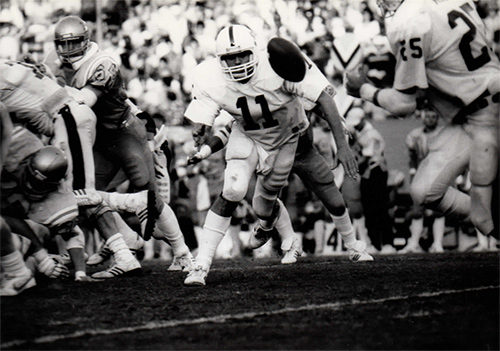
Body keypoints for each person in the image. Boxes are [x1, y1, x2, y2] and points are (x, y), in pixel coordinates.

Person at [183, 25, 372, 286]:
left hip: (288, 139)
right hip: (247, 135)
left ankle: (347, 243)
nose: (237, 63)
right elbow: (206, 117)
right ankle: (201, 265)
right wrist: (201, 128)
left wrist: (342, 145)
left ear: (255, 52)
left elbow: (322, 100)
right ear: (219, 60)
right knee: (234, 191)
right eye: (229, 58)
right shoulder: (210, 77)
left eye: (242, 55)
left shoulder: (278, 64)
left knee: (267, 204)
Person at [44, 16, 194, 274]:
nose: (68, 50)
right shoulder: (52, 61)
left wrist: (48, 90)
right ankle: (128, 242)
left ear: (86, 40)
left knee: (152, 203)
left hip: (125, 133)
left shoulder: (103, 63)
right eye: (63, 44)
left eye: (74, 43)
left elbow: (83, 100)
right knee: (86, 201)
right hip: (99, 140)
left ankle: (182, 253)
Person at [345, 0, 499, 241]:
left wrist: (363, 89)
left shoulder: (409, 22)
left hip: (484, 113)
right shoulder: (454, 2)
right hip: (469, 114)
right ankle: (490, 215)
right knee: (425, 190)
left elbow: (403, 105)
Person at [400, 105, 452, 253]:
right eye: (428, 116)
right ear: (423, 117)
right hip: (421, 175)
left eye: (434, 117)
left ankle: (437, 244)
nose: (431, 120)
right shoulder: (415, 135)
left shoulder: (443, 135)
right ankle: (414, 243)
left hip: (437, 174)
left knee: (438, 211)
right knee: (417, 210)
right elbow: (412, 156)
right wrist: (412, 172)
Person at [345, 107, 396, 253]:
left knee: (380, 208)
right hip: (367, 174)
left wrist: (352, 165)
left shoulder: (371, 135)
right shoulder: (360, 133)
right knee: (369, 208)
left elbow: (366, 158)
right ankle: (374, 243)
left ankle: (387, 243)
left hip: (376, 172)